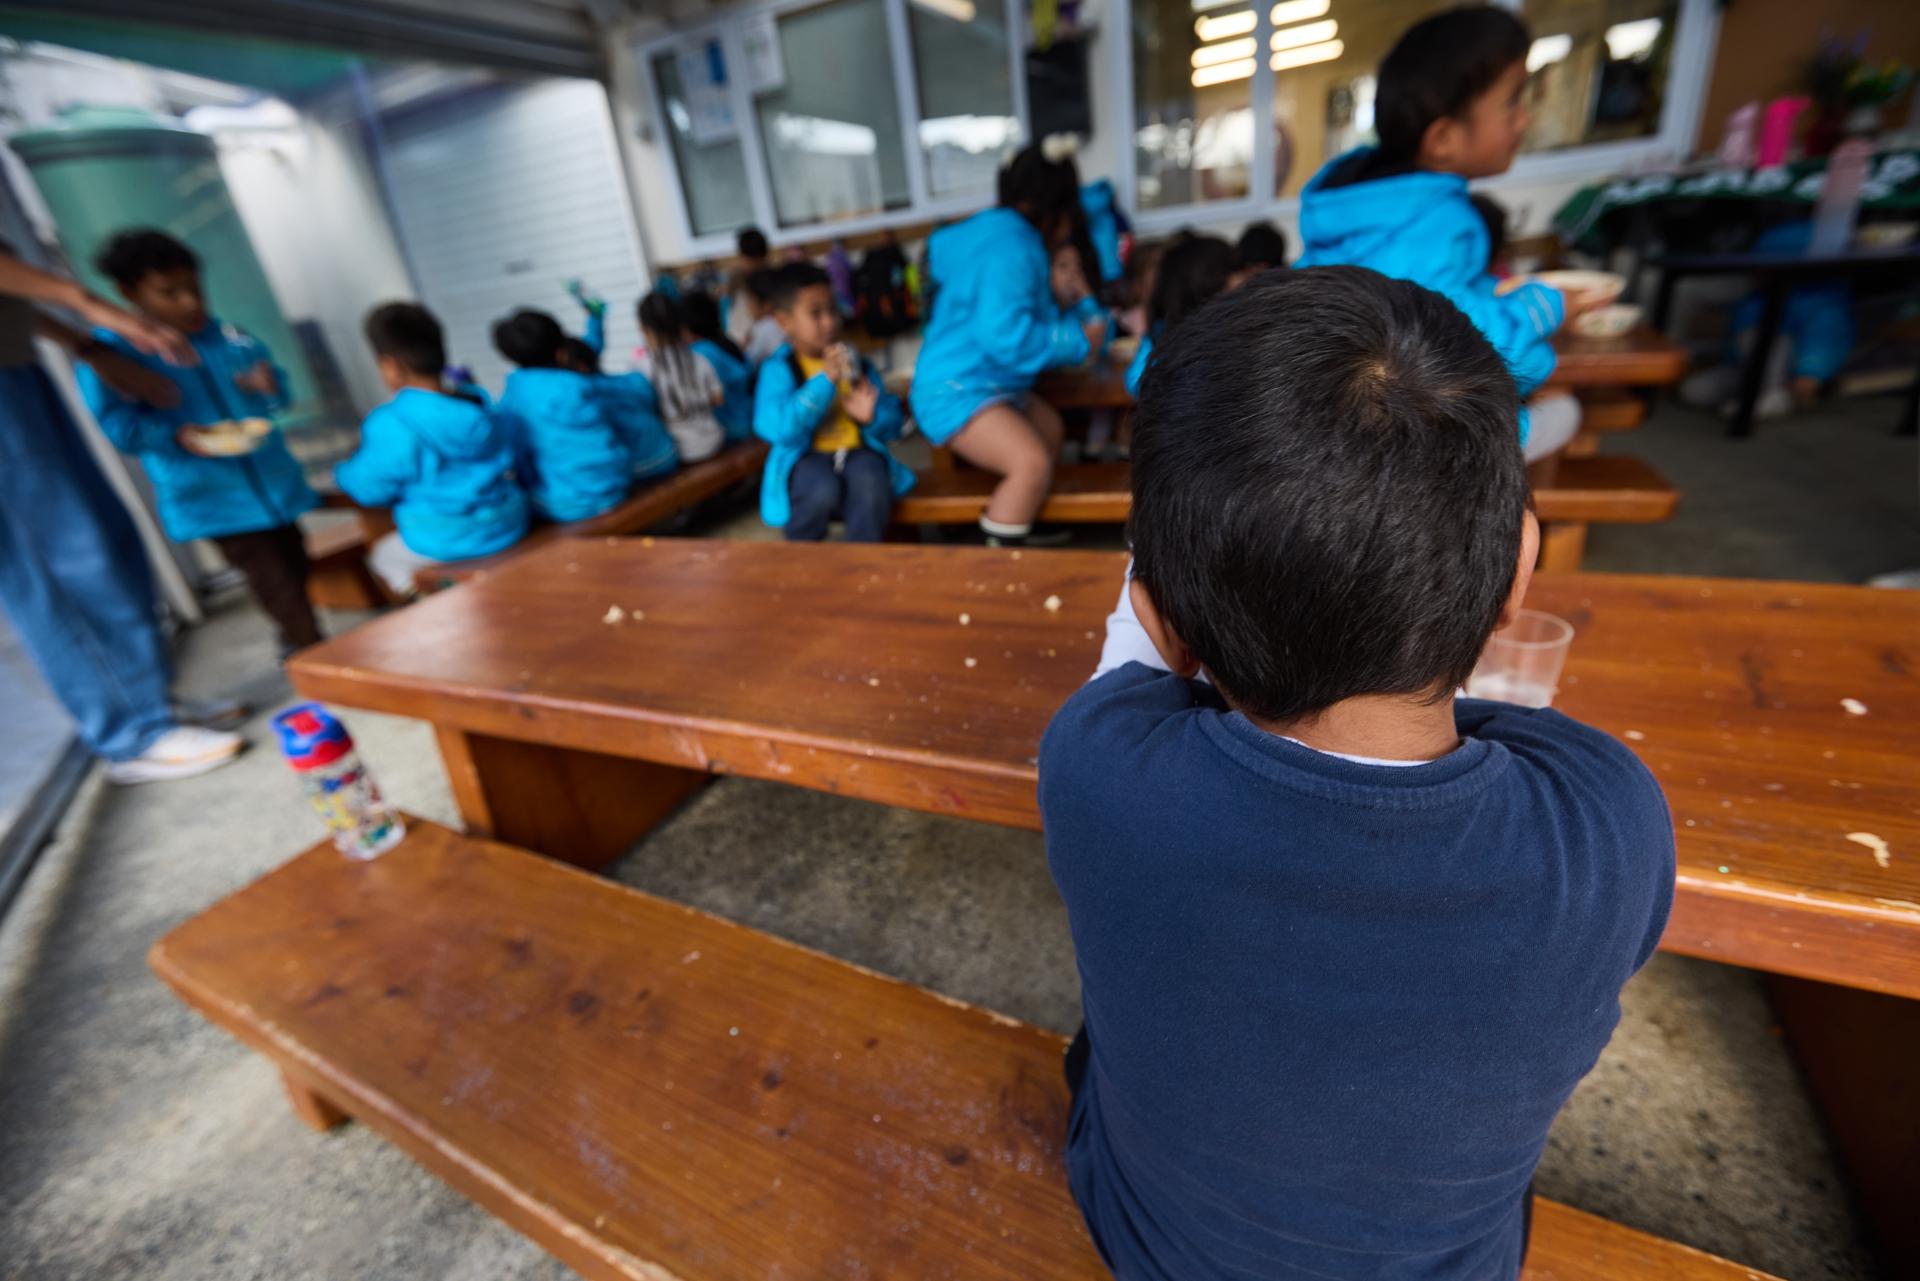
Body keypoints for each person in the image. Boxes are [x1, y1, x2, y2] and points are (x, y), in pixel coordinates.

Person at [1040, 267, 1673, 1281]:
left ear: (1167, 614)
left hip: (1151, 1246)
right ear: (1516, 571)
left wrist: (1189, 610)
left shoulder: (1094, 771)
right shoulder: (1610, 823)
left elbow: (1135, 663)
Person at [1295, 6, 1585, 461]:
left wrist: (1492, 293)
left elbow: (1436, 296)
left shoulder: (1352, 212)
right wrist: (1542, 309)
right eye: (1512, 100)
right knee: (1564, 409)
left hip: (1336, 428)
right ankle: (1469, 518)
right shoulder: (1435, 222)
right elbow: (1485, 357)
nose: (1524, 119)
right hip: (1400, 448)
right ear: (1444, 138)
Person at [0, 244, 245, 783]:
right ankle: (132, 733)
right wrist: (85, 303)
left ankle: (146, 703)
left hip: (15, 367)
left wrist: (83, 344)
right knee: (57, 560)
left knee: (101, 540)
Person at [80, 229, 322, 658]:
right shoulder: (115, 355)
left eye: (194, 289)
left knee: (295, 563)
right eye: (169, 293)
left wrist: (268, 387)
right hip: (212, 496)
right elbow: (119, 426)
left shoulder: (229, 337)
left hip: (272, 482)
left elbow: (279, 395)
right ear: (128, 293)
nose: (191, 302)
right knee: (275, 581)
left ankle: (296, 643)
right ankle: (319, 660)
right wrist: (173, 436)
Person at [909, 143, 1105, 547]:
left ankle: (1023, 516)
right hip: (956, 390)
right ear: (1053, 208)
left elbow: (1019, 318)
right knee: (1029, 464)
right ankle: (998, 562)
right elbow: (1004, 335)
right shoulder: (1015, 245)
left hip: (986, 384)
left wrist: (1073, 305)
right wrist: (1074, 341)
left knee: (1050, 431)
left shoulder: (990, 233)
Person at [333, 303, 529, 596]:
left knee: (384, 556)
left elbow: (370, 490)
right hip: (510, 521)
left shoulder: (392, 421)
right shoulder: (475, 402)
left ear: (389, 366)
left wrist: (344, 471)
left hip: (446, 538)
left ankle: (431, 603)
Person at [753, 263, 912, 542]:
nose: (829, 321)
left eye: (832, 309)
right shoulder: (778, 369)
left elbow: (894, 425)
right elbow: (778, 429)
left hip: (857, 452)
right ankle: (803, 566)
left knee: (871, 484)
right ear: (783, 321)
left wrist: (872, 418)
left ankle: (862, 565)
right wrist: (824, 381)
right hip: (805, 459)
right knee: (819, 489)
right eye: (815, 313)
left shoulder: (857, 362)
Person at [491, 308, 631, 522]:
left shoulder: (513, 397)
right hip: (616, 485)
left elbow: (518, 458)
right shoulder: (580, 384)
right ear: (561, 352)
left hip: (568, 504)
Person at [1125, 233, 1237, 397]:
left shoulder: (1230, 327)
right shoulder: (1164, 330)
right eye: (1234, 272)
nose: (1243, 280)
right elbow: (1136, 381)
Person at [555, 335, 679, 482]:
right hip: (668, 453)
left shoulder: (588, 400)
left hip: (640, 469)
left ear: (580, 369)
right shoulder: (632, 379)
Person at [637, 291, 726, 464]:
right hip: (714, 440)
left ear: (642, 328)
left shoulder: (642, 367)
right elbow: (718, 399)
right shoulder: (699, 358)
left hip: (679, 452)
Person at [681, 290, 754, 444]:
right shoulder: (727, 342)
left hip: (731, 431)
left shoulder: (699, 353)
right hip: (750, 417)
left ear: (686, 326)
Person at [724, 225, 771, 347]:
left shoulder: (770, 280)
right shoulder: (736, 279)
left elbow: (760, 314)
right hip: (739, 341)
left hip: (756, 342)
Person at [741, 268, 788, 370]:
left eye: (750, 301)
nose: (748, 306)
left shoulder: (764, 327)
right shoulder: (787, 319)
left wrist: (745, 347)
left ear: (767, 305)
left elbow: (751, 361)